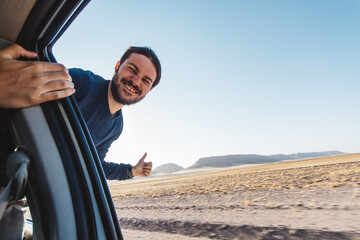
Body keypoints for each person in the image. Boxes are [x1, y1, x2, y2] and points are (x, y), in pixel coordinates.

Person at [69, 46, 161, 180]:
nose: (135, 81)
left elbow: (94, 165)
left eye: (145, 81)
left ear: (149, 90)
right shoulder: (81, 83)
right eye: (132, 69)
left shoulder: (116, 127)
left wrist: (133, 171)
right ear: (117, 66)